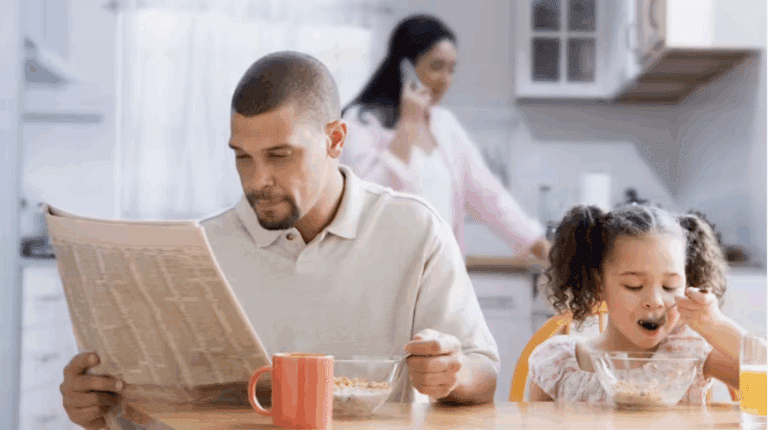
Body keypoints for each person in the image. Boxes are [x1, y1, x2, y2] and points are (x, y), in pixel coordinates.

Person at [59, 51, 500, 430]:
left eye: (280, 156)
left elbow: (485, 371)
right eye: (242, 158)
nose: (258, 181)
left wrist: (453, 372)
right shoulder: (203, 247)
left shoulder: (414, 229)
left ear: (335, 140)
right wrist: (97, 407)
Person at [341, 14, 550, 259]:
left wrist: (540, 246)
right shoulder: (361, 123)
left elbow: (488, 195)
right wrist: (408, 125)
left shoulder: (444, 125)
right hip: (384, 272)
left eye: (451, 70)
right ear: (404, 67)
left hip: (440, 272)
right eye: (436, 66)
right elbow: (370, 201)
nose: (445, 80)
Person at [527, 204, 745, 404]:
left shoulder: (690, 354)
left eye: (670, 286)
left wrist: (717, 327)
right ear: (598, 285)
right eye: (634, 285)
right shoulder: (558, 364)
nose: (655, 301)